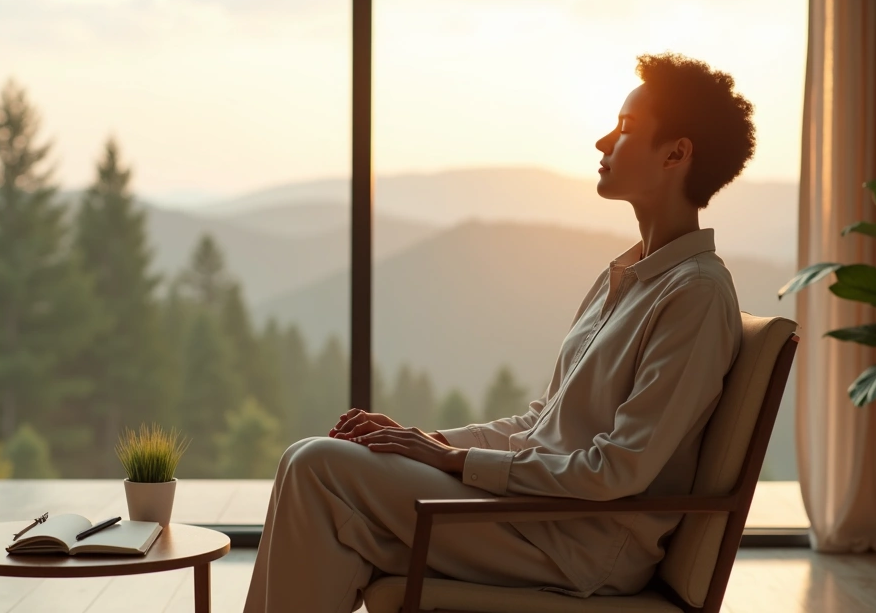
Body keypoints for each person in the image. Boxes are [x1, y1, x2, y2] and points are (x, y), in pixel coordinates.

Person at [243, 52, 756, 613]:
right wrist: (431, 444)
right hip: (533, 517)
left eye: (627, 129)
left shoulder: (696, 295)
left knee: (317, 467)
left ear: (677, 154)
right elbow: (542, 424)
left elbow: (618, 470)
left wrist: (453, 464)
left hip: (578, 543)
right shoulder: (627, 278)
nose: (602, 142)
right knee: (321, 476)